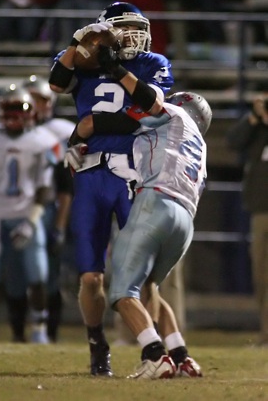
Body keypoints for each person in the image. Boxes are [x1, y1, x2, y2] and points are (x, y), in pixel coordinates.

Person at [49, 1, 174, 376]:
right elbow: (57, 84)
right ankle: (96, 343)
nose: (135, 35)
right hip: (89, 174)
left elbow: (152, 107)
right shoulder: (83, 59)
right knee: (90, 276)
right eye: (125, 28)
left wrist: (114, 72)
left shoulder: (153, 62)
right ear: (105, 30)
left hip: (135, 174)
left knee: (144, 275)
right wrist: (80, 43)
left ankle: (155, 352)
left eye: (139, 28)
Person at [67, 91, 211, 378]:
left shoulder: (168, 114)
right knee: (150, 288)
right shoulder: (199, 145)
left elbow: (108, 120)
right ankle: (181, 357)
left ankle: (154, 354)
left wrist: (79, 137)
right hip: (186, 219)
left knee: (122, 291)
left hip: (156, 203)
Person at [0, 86, 60, 343]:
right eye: (8, 110)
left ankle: (40, 327)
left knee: (38, 274)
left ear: (29, 113)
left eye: (17, 110)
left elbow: (44, 187)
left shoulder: (43, 141)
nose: (12, 116)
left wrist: (31, 222)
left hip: (26, 213)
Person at [21, 75, 75, 342]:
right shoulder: (9, 130)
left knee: (48, 275)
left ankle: (46, 332)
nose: (35, 104)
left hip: (49, 208)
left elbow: (67, 181)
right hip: (14, 207)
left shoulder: (61, 130)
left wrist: (61, 225)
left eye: (40, 99)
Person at [226, 92, 268, 346]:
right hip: (261, 210)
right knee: (262, 276)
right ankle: (266, 335)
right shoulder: (257, 129)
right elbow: (232, 141)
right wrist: (254, 117)